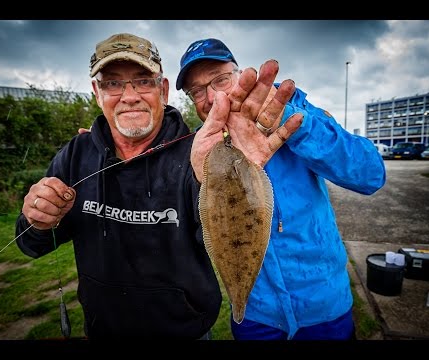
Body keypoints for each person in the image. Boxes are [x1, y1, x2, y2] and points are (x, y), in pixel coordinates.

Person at [15, 33, 297, 339]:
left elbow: (225, 236)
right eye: (112, 83)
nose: (129, 95)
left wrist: (220, 178)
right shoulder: (76, 153)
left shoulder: (199, 153)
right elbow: (31, 244)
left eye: (143, 81)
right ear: (97, 93)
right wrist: (39, 219)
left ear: (163, 90)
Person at [178, 38, 387, 340]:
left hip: (325, 309)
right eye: (196, 91)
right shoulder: (198, 148)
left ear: (239, 76)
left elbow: (370, 174)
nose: (211, 98)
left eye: (220, 79)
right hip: (254, 315)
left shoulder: (294, 114)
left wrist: (294, 124)